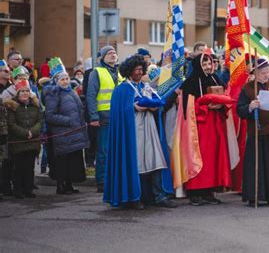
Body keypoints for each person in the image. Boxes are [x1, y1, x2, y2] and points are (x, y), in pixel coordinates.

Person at [104, 55, 176, 209]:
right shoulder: (121, 90)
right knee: (136, 163)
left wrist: (154, 107)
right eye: (136, 69)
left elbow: (158, 105)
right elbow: (118, 112)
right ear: (129, 71)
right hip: (132, 131)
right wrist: (134, 107)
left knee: (156, 161)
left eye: (141, 69)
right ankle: (134, 196)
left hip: (150, 129)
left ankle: (158, 195)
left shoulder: (146, 87)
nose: (139, 72)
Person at [175, 52, 233, 206]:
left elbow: (225, 97)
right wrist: (206, 106)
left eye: (210, 63)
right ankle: (195, 192)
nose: (208, 67)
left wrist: (221, 105)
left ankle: (209, 191)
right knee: (198, 157)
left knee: (213, 158)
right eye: (205, 64)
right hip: (199, 127)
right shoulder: (190, 83)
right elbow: (188, 107)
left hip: (215, 126)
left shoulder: (215, 78)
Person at [237, 58, 269, 206]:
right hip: (257, 133)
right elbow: (240, 110)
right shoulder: (247, 89)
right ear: (255, 73)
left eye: (267, 72)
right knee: (256, 165)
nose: (265, 75)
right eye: (262, 73)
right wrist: (251, 107)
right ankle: (254, 196)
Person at [44, 62, 88, 195]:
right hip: (62, 133)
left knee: (72, 160)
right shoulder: (53, 93)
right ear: (56, 81)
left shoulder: (71, 91)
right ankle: (61, 185)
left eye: (67, 78)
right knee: (62, 161)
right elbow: (50, 116)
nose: (65, 81)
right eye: (62, 79)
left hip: (73, 132)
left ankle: (69, 185)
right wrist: (68, 121)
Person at [86, 46, 121, 192]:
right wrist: (93, 116)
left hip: (118, 116)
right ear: (102, 57)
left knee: (116, 150)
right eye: (109, 53)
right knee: (103, 151)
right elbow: (91, 95)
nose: (113, 55)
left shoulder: (120, 72)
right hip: (104, 117)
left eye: (114, 52)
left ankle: (114, 179)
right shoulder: (97, 72)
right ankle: (101, 181)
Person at [4, 80, 42, 199]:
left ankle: (28, 189)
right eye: (22, 91)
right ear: (18, 93)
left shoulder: (35, 105)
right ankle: (18, 190)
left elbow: (40, 121)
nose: (25, 93)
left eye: (27, 91)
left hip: (32, 142)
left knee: (29, 167)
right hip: (19, 142)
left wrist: (32, 132)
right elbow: (11, 123)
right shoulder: (13, 106)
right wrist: (25, 133)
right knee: (19, 167)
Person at [0, 60, 12, 198]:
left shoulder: (12, 87)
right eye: (5, 71)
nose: (9, 73)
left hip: (9, 129)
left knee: (7, 160)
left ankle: (6, 187)